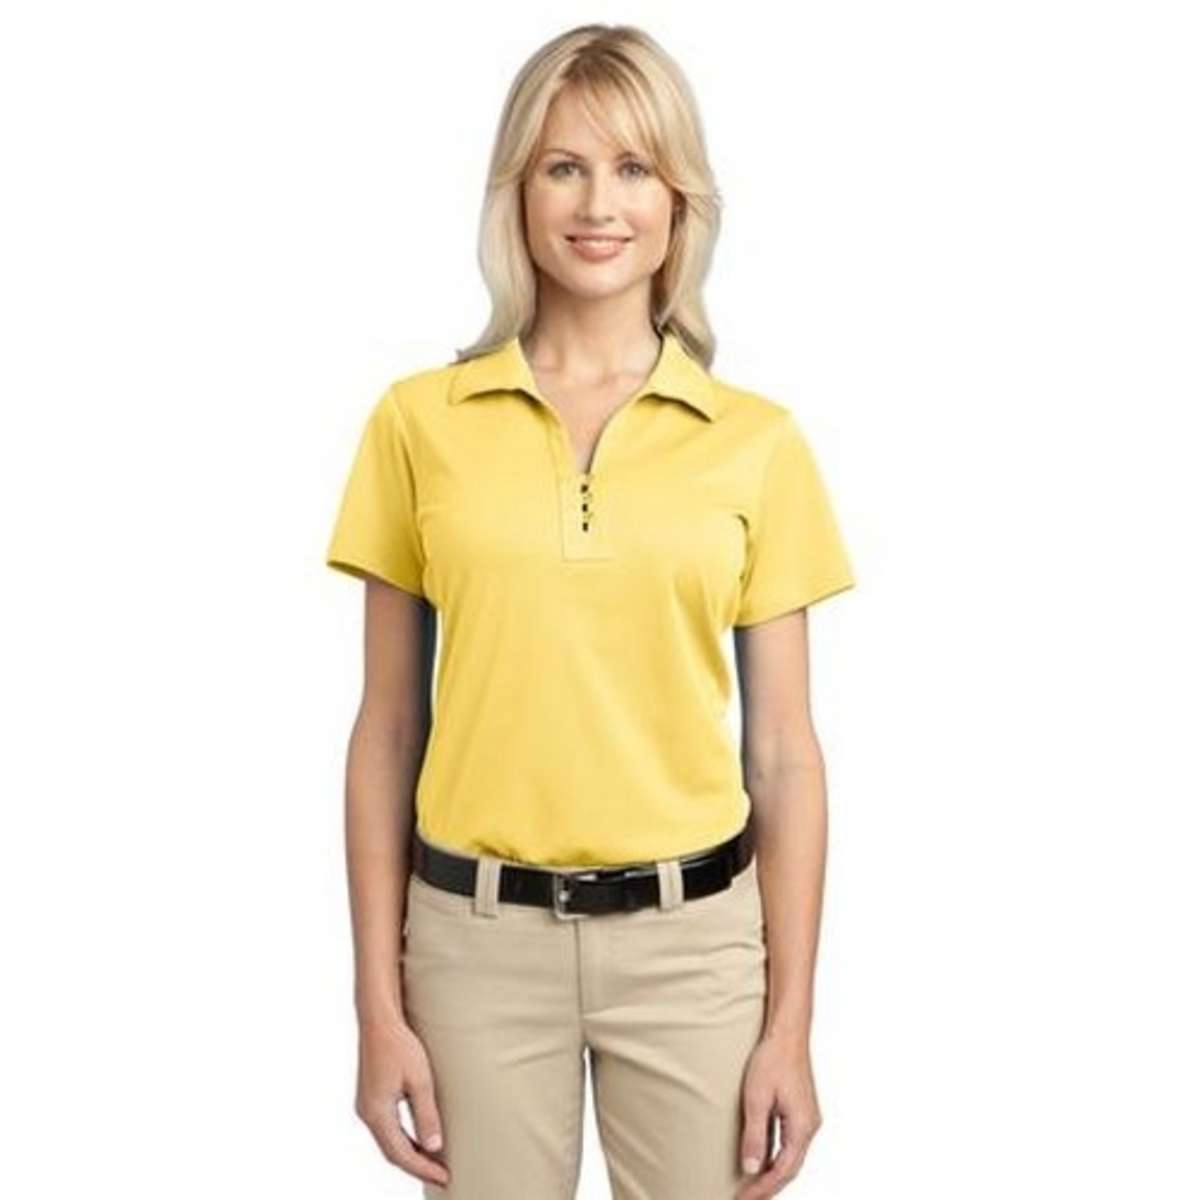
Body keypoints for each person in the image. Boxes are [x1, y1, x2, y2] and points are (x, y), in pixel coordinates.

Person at [324, 23, 856, 1200]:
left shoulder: (758, 443)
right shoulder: (418, 423)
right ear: (518, 192)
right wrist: (375, 1008)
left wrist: (791, 1027)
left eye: (633, 168)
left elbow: (784, 751)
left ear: (679, 200)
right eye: (564, 167)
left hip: (697, 950)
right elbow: (387, 730)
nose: (598, 204)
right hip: (471, 948)